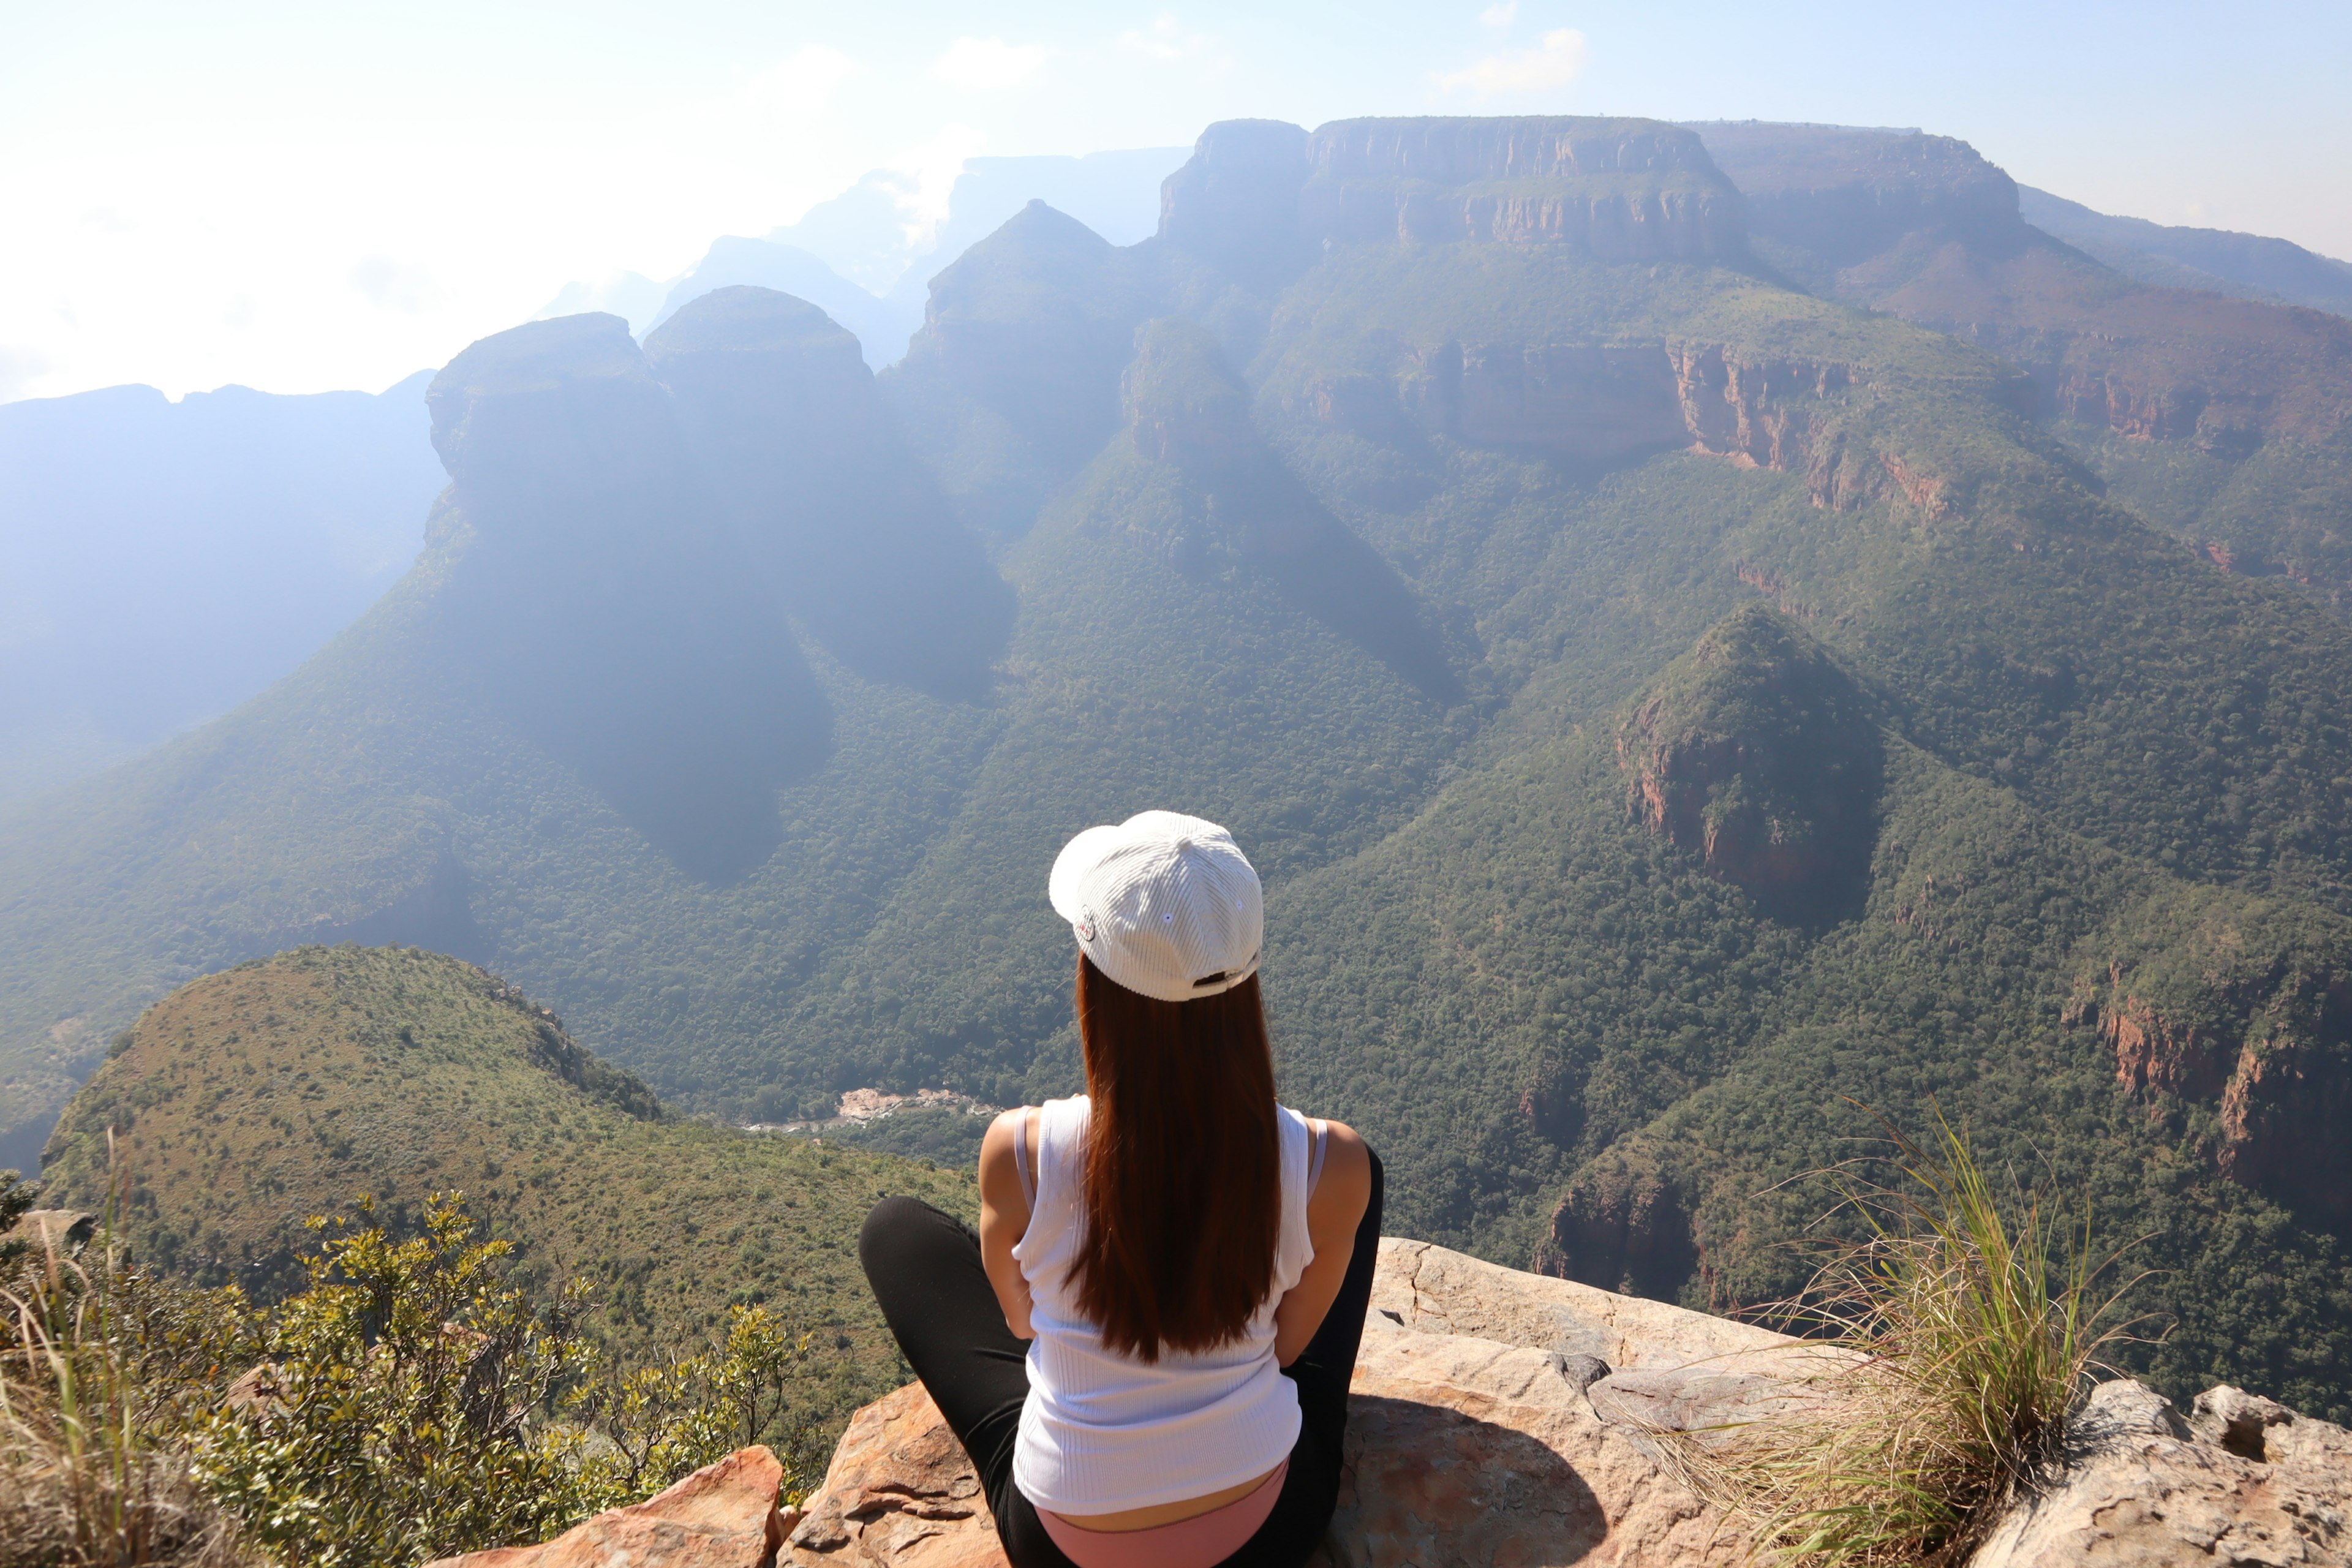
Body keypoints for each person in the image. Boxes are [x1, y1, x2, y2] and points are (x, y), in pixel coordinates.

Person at [861, 810, 1382, 1568]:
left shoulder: (1021, 1151)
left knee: (894, 1232)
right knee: (1353, 1188)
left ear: (1094, 981)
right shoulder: (1329, 1162)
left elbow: (1021, 1319)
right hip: (1267, 1534)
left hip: (1067, 1549)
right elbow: (1289, 1346)